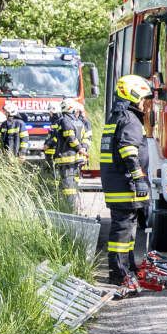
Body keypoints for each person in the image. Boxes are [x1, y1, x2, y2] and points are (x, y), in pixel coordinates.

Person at [100, 74, 152, 295]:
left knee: (127, 229)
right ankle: (119, 273)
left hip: (116, 183)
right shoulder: (130, 120)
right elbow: (129, 151)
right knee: (123, 231)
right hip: (126, 184)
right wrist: (138, 179)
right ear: (133, 96)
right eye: (143, 98)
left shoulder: (116, 118)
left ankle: (127, 268)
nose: (144, 103)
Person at [46, 99, 89, 211]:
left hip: (66, 159)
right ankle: (74, 207)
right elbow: (85, 137)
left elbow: (70, 138)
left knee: (68, 186)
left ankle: (70, 209)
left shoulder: (64, 121)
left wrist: (80, 149)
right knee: (73, 184)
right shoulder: (79, 121)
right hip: (76, 159)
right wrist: (83, 149)